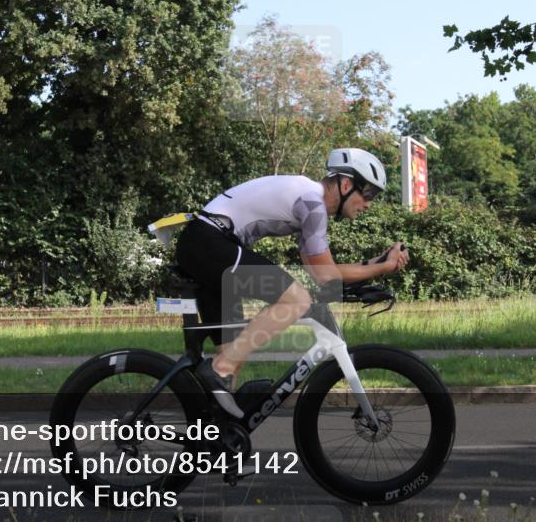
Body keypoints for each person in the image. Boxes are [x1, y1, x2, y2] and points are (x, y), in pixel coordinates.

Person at [174, 148, 410, 418]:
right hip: (209, 242)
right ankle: (219, 369)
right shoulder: (312, 203)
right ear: (346, 184)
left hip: (207, 245)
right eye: (368, 193)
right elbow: (325, 275)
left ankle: (213, 438)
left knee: (234, 350)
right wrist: (383, 267)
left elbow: (318, 269)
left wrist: (376, 264)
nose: (369, 203)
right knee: (295, 300)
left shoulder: (309, 203)